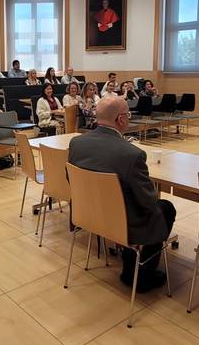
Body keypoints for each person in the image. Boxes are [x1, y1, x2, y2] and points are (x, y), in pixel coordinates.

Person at [68, 96, 176, 292]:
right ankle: (142, 275)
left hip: (90, 216)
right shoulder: (131, 154)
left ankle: (130, 257)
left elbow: (71, 181)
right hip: (123, 224)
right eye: (128, 114)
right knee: (165, 208)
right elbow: (149, 201)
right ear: (121, 119)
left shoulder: (77, 143)